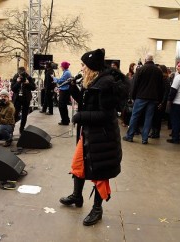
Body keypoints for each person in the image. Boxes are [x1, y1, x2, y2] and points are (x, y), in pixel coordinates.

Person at [61, 48, 123, 226]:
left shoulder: (106, 85)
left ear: (91, 68)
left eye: (83, 65)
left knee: (100, 174)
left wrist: (81, 117)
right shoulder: (94, 81)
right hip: (90, 133)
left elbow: (105, 115)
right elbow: (87, 103)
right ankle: (77, 196)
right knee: (78, 164)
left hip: (103, 138)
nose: (81, 68)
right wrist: (73, 89)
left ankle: (97, 209)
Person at [123, 54, 164, 144]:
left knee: (135, 116)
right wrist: (159, 100)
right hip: (153, 98)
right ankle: (145, 138)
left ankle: (130, 136)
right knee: (148, 118)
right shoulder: (158, 71)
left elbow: (135, 84)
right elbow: (161, 87)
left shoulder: (141, 70)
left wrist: (132, 96)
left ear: (145, 60)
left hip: (141, 97)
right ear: (152, 60)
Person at [11, 67, 36, 134]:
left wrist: (28, 84)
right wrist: (18, 82)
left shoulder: (28, 77)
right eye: (19, 74)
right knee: (15, 114)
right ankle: (11, 129)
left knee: (24, 115)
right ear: (18, 73)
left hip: (26, 98)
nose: (21, 76)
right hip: (17, 99)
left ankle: (21, 129)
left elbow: (33, 87)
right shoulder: (16, 77)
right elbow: (13, 89)